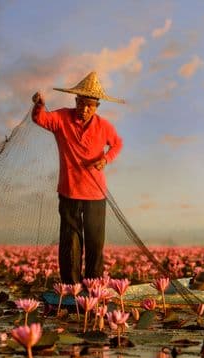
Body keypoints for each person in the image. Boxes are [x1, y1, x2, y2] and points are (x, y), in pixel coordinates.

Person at [31, 71, 124, 284]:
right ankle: (70, 285)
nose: (85, 109)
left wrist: (106, 159)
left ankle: (93, 284)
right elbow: (40, 118)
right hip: (69, 191)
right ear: (75, 101)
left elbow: (117, 144)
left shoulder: (104, 126)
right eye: (81, 103)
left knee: (94, 241)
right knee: (70, 241)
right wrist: (39, 104)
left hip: (96, 193)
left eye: (90, 105)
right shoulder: (62, 118)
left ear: (97, 106)